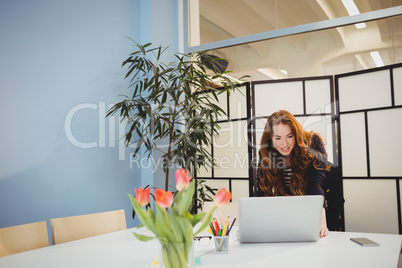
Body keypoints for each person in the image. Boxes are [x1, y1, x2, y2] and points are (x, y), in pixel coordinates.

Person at [255, 110, 329, 238]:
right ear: (270, 139)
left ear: (296, 134)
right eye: (278, 138)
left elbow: (315, 183)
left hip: (322, 204)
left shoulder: (313, 143)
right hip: (291, 211)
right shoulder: (266, 153)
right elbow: (262, 190)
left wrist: (321, 217)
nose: (284, 144)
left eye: (289, 136)